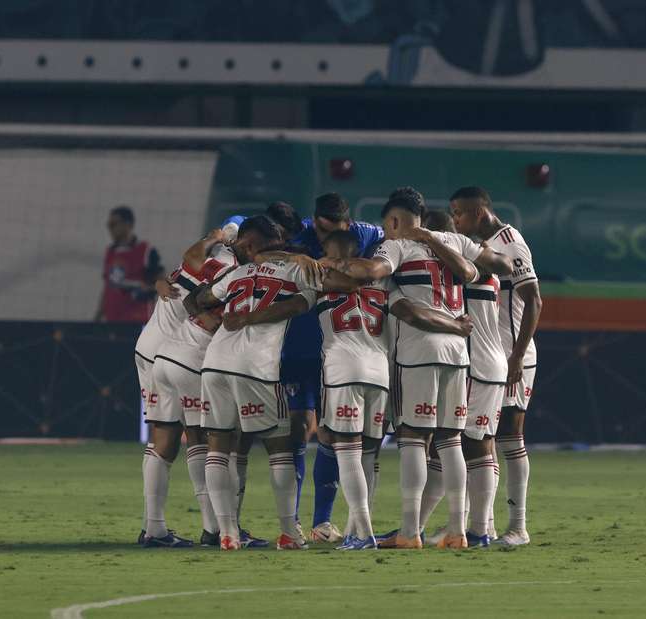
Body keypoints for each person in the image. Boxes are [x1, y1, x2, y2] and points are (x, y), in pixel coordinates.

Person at [320, 186, 511, 549]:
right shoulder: (452, 240)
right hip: (458, 354)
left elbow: (374, 270)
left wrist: (333, 263)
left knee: (414, 439)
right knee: (450, 440)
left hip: (419, 351)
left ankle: (410, 531)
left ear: (393, 220)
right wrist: (436, 241)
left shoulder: (396, 245)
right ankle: (457, 530)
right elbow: (489, 267)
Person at [188, 215, 356, 551]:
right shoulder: (298, 269)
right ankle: (288, 533)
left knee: (219, 445)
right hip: (256, 366)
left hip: (215, 363)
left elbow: (197, 298)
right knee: (280, 448)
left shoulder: (236, 272)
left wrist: (210, 316)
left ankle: (227, 533)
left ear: (250, 243)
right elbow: (303, 301)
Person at [312, 230, 474, 549]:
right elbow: (412, 311)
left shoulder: (316, 276)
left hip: (344, 367)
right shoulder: (387, 285)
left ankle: (367, 532)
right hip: (382, 372)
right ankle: (458, 528)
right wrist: (456, 326)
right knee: (433, 443)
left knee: (353, 451)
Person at [283, 193, 384, 543]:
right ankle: (294, 522)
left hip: (338, 359)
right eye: (320, 231)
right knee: (305, 430)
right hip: (308, 352)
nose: (323, 237)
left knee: (339, 440)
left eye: (332, 233)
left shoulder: (369, 235)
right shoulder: (300, 234)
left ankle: (329, 523)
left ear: (347, 224)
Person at [448, 186, 542, 547]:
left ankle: (517, 527)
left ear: (480, 212)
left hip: (512, 356)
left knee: (507, 437)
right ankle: (482, 526)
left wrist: (517, 356)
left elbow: (534, 300)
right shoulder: (481, 246)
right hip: (489, 356)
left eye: (459, 213)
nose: (456, 220)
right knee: (478, 437)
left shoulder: (510, 242)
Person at [413, 209, 506, 548]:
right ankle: (473, 528)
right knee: (473, 445)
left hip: (475, 363)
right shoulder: (480, 267)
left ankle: (473, 530)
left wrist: (431, 241)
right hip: (491, 362)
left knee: (460, 445)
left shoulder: (462, 268)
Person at [141, 230, 234, 548]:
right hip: (173, 351)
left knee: (164, 436)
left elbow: (186, 261)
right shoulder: (222, 268)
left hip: (152, 347)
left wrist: (212, 237)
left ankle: (155, 526)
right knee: (194, 435)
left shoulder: (193, 264)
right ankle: (210, 527)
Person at [96, 205, 163, 323]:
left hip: (137, 320)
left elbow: (161, 283)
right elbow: (107, 287)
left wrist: (145, 290)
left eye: (113, 224)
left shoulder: (145, 251)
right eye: (109, 225)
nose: (110, 229)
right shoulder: (110, 252)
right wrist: (98, 316)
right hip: (112, 321)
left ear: (127, 224)